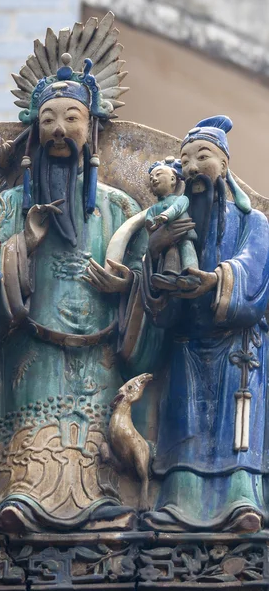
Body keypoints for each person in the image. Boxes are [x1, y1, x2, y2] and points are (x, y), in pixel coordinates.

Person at [0, 48, 167, 534]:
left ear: (91, 130)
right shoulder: (11, 205)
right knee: (33, 464)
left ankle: (103, 500)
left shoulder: (120, 208)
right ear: (35, 131)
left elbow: (150, 286)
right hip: (31, 353)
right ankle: (19, 494)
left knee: (93, 455)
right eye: (48, 120)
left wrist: (128, 286)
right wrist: (25, 245)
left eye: (71, 118)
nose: (59, 130)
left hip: (97, 358)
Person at [141, 116, 269, 533]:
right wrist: (157, 252)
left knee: (237, 428)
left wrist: (216, 280)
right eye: (186, 161)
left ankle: (240, 499)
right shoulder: (175, 221)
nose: (193, 168)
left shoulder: (254, 223)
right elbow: (154, 294)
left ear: (225, 165)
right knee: (185, 421)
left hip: (237, 345)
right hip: (187, 342)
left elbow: (255, 268)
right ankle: (180, 500)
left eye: (204, 156)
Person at [146, 158, 199, 291]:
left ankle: (193, 275)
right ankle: (170, 276)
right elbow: (149, 220)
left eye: (158, 175)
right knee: (170, 253)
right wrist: (151, 225)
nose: (154, 179)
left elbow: (176, 209)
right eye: (151, 177)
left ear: (173, 180)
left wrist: (165, 216)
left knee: (187, 250)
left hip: (184, 232)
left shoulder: (181, 199)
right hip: (166, 239)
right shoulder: (153, 208)